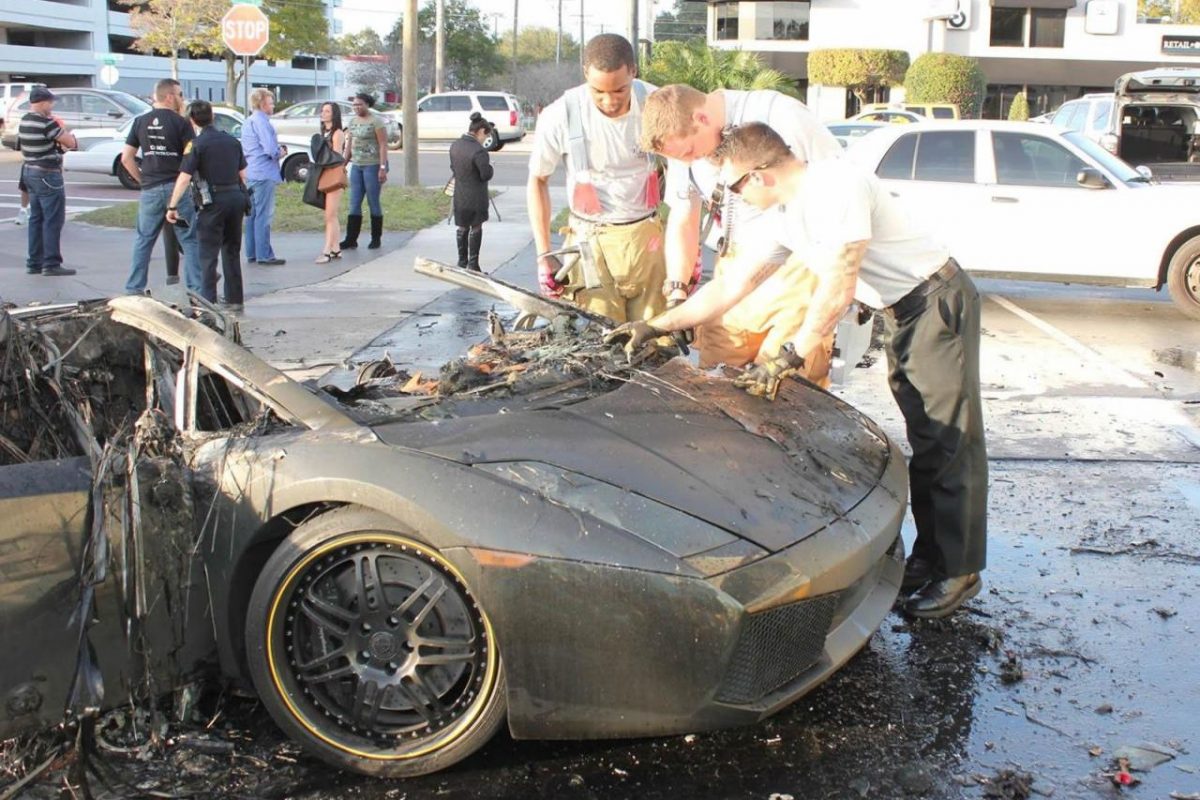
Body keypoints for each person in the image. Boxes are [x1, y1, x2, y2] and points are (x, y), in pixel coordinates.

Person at [608, 122, 988, 620]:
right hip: (903, 312)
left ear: (760, 174)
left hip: (934, 302)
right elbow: (732, 286)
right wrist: (656, 325)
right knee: (927, 435)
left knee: (948, 440)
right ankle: (931, 560)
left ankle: (959, 572)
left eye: (735, 186)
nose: (734, 198)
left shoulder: (835, 185)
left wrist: (793, 352)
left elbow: (841, 278)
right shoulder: (787, 218)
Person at [639, 83, 843, 384]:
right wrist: (677, 292)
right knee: (717, 387)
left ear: (701, 119)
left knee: (788, 388)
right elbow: (684, 218)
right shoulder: (684, 147)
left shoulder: (783, 115)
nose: (691, 161)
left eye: (691, 152)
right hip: (733, 268)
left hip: (796, 270)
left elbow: (836, 189)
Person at [526, 33, 666, 323]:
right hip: (589, 243)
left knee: (655, 339)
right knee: (598, 344)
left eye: (619, 90)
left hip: (647, 239)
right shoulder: (560, 114)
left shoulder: (657, 105)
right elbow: (538, 180)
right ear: (585, 75)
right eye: (598, 91)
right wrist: (544, 254)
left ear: (633, 72)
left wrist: (687, 256)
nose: (609, 100)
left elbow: (685, 173)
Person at [165, 101, 249, 311]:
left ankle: (208, 302)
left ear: (192, 120)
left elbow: (184, 178)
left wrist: (172, 206)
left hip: (212, 201)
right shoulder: (231, 141)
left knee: (208, 253)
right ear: (212, 116)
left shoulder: (197, 144)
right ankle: (235, 298)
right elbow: (243, 175)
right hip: (235, 198)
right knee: (231, 249)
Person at [121, 77, 201, 294]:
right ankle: (196, 289)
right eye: (180, 94)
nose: (182, 99)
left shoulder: (140, 122)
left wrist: (142, 181)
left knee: (144, 240)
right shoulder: (181, 123)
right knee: (189, 239)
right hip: (177, 189)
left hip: (150, 189)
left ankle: (134, 289)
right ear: (169, 96)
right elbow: (192, 157)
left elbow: (126, 158)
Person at [19, 87, 76, 277]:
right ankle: (51, 263)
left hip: (30, 172)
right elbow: (70, 143)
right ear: (43, 102)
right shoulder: (46, 123)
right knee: (53, 219)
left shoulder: (24, 120)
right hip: (47, 174)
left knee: (36, 219)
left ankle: (34, 262)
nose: (52, 106)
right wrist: (63, 130)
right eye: (50, 102)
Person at [241, 88, 286, 266]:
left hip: (251, 171)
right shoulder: (262, 122)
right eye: (270, 102)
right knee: (263, 215)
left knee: (252, 214)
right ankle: (264, 254)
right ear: (261, 104)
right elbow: (269, 149)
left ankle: (252, 252)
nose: (273, 105)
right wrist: (280, 152)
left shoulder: (248, 121)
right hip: (264, 171)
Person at [340, 92, 389, 250]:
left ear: (367, 104)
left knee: (373, 201)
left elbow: (382, 145)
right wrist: (343, 163)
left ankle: (376, 238)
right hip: (357, 165)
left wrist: (382, 167)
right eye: (354, 105)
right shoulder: (352, 122)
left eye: (360, 104)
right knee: (354, 202)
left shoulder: (376, 121)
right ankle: (351, 238)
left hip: (373, 165)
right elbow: (349, 145)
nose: (357, 107)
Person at [448, 112, 495, 271]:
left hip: (460, 195)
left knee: (462, 227)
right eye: (486, 135)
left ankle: (462, 262)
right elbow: (485, 174)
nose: (485, 139)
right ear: (481, 131)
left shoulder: (455, 146)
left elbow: (453, 168)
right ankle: (473, 264)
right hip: (476, 196)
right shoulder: (479, 151)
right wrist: (491, 167)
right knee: (476, 227)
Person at [315, 101, 346, 263]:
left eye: (327, 111)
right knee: (330, 215)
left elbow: (337, 157)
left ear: (334, 114)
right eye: (322, 111)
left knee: (330, 215)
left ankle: (327, 250)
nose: (323, 113)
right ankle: (336, 248)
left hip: (334, 176)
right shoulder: (324, 133)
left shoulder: (337, 133)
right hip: (324, 174)